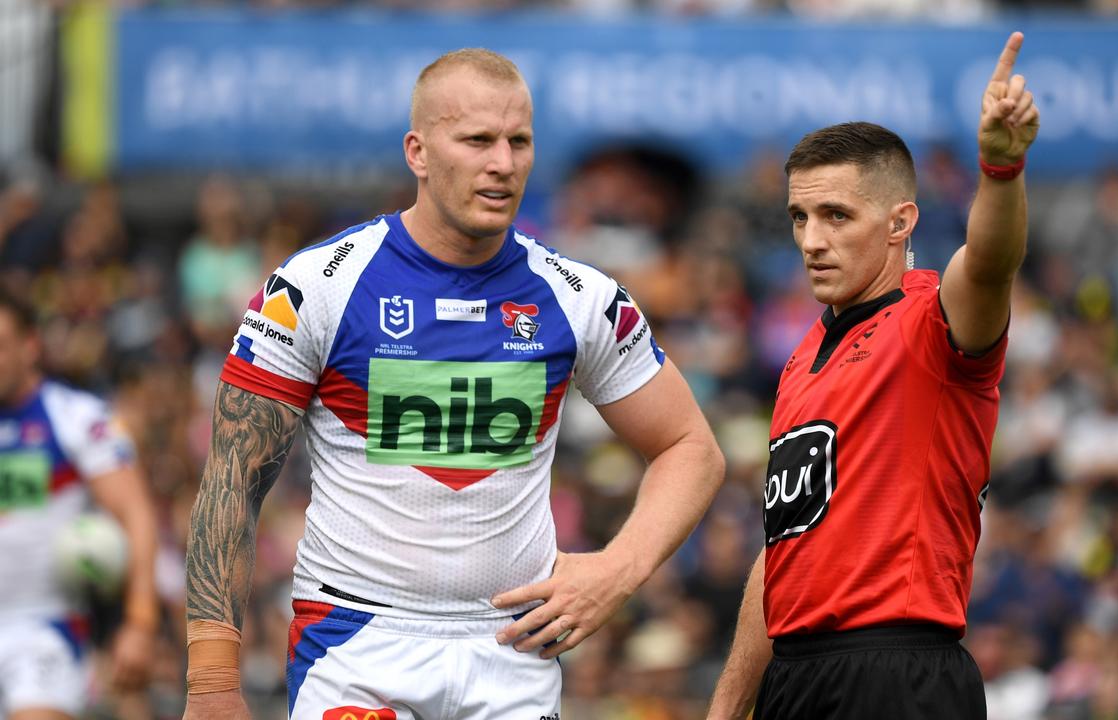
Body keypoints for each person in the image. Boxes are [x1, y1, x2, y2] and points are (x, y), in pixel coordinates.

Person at [182, 48, 724, 720]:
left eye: (519, 141)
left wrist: (620, 570)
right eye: (477, 140)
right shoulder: (319, 285)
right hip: (356, 650)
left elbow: (691, 448)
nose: (503, 162)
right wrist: (211, 681)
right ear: (418, 151)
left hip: (513, 654)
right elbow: (232, 481)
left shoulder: (579, 297)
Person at [708, 31, 1040, 719]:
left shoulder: (933, 322)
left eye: (836, 215)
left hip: (898, 673)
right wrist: (727, 709)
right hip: (793, 680)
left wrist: (1001, 171)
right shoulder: (800, 359)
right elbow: (780, 554)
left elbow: (990, 261)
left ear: (900, 223)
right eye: (799, 217)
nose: (810, 240)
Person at [0, 289, 158, 720]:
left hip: (43, 629)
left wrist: (140, 621)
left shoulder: (77, 418)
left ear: (31, 346)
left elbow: (136, 513)